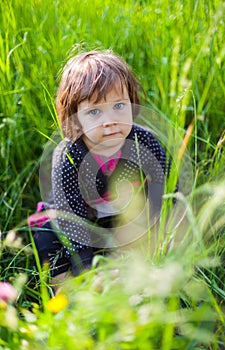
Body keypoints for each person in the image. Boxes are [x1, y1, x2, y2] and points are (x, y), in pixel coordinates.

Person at [29, 50, 171, 286]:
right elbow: (71, 222)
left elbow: (166, 191)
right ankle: (68, 294)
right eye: (94, 111)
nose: (110, 121)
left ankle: (130, 276)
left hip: (122, 215)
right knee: (46, 240)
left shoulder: (143, 143)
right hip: (74, 219)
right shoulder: (69, 156)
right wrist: (85, 268)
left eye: (119, 106)